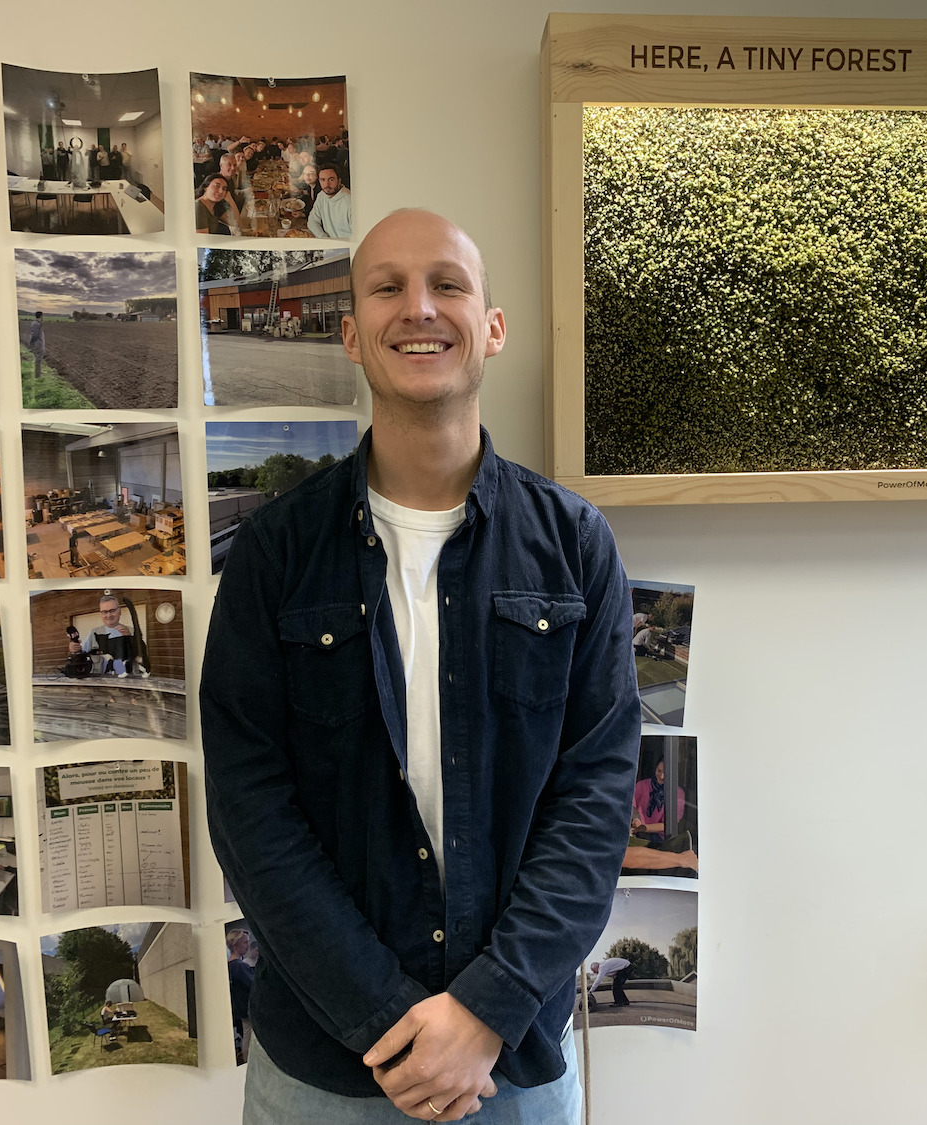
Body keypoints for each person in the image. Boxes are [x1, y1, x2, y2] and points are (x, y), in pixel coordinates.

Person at [201, 209, 639, 1125]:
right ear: (353, 334)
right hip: (326, 1065)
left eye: (448, 283)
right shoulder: (275, 554)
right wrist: (390, 1020)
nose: (419, 308)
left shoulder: (575, 547)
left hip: (511, 1059)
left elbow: (595, 801)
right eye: (388, 287)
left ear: (492, 327)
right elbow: (250, 809)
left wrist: (484, 1010)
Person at [631, 759, 689, 852]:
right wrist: (635, 820)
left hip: (660, 837)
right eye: (659, 771)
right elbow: (631, 807)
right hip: (637, 830)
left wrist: (642, 828)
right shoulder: (642, 785)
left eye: (665, 773)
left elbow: (668, 825)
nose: (661, 776)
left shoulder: (677, 793)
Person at [76, 594, 140, 676]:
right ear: (101, 614)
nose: (108, 615)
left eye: (112, 610)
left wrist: (130, 639)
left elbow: (142, 656)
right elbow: (80, 653)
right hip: (102, 684)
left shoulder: (131, 631)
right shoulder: (94, 633)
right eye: (104, 612)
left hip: (130, 684)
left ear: (119, 611)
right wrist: (74, 648)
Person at [227, 928, 257, 1063]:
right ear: (235, 945)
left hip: (240, 1007)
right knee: (249, 1037)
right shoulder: (240, 966)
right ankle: (247, 1062)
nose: (248, 945)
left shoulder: (229, 965)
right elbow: (253, 985)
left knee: (247, 1034)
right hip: (247, 1007)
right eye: (245, 942)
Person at [306, 164, 352, 239]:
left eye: (331, 179)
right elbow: (312, 221)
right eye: (323, 180)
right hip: (328, 244)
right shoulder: (321, 196)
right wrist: (324, 238)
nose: (327, 184)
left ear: (339, 181)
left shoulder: (350, 202)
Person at [27, 311, 46, 380]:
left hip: (39, 344)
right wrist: (32, 343)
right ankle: (37, 376)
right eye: (42, 316)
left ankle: (39, 372)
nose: (43, 317)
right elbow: (34, 335)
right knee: (38, 359)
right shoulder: (36, 324)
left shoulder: (37, 323)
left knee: (39, 359)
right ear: (41, 316)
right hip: (38, 344)